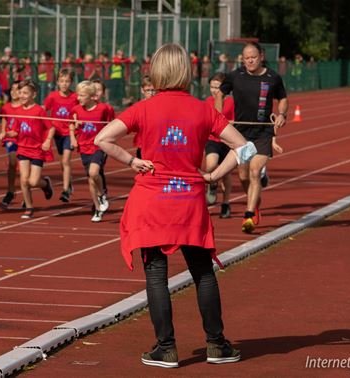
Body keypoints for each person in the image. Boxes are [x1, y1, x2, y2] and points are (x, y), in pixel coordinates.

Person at [95, 42, 251, 369]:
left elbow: (102, 139)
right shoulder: (203, 109)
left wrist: (132, 161)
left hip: (151, 199)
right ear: (186, 70)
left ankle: (165, 348)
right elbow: (244, 148)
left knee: (156, 274)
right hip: (188, 199)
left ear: (156, 70)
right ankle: (217, 344)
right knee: (203, 271)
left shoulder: (143, 107)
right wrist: (213, 175)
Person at [215, 41, 288, 233]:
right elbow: (220, 94)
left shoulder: (273, 77)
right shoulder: (235, 76)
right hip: (241, 133)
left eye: (253, 57)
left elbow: (282, 99)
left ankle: (248, 216)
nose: (249, 61)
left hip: (263, 133)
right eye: (246, 58)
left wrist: (282, 115)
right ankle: (254, 202)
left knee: (256, 172)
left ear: (261, 56)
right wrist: (219, 115)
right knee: (243, 176)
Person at [69, 81, 113, 222]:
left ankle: (101, 195)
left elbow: (112, 125)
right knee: (91, 179)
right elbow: (71, 125)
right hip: (84, 146)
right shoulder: (76, 110)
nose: (78, 98)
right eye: (78, 95)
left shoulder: (104, 109)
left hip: (98, 146)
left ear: (92, 96)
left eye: (82, 95)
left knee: (94, 172)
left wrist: (109, 141)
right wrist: (73, 137)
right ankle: (98, 208)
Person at [13, 79, 55, 219]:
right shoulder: (17, 111)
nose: (22, 95)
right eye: (20, 92)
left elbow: (51, 127)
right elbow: (15, 131)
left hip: (37, 149)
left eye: (26, 93)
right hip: (23, 149)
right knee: (24, 180)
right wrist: (6, 133)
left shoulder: (39, 110)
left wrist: (48, 140)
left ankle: (45, 184)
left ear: (33, 95)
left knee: (33, 182)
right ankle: (29, 207)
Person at [44, 68, 78, 203]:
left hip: (69, 132)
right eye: (62, 81)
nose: (64, 84)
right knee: (62, 162)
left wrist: (76, 123)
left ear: (71, 82)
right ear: (58, 82)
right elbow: (43, 110)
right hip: (56, 133)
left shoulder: (75, 97)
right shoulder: (52, 96)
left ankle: (65, 191)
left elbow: (79, 110)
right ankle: (68, 182)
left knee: (66, 160)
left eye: (67, 81)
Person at [205, 73, 235, 218]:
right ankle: (212, 183)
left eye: (217, 87)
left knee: (227, 173)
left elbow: (235, 119)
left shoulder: (230, 102)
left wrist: (231, 123)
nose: (214, 90)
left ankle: (226, 203)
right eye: (212, 87)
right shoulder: (207, 101)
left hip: (227, 141)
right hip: (212, 139)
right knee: (210, 166)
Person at [0, 81, 21, 208]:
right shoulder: (6, 107)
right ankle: (11, 191)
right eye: (12, 89)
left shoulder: (24, 107)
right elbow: (4, 119)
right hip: (10, 139)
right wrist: (3, 131)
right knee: (12, 162)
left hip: (23, 139)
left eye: (17, 90)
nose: (13, 92)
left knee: (24, 168)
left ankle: (27, 194)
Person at [133, 75, 155, 159]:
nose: (151, 93)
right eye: (148, 90)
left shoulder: (160, 105)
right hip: (142, 144)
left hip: (156, 144)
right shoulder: (138, 106)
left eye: (153, 90)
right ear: (142, 90)